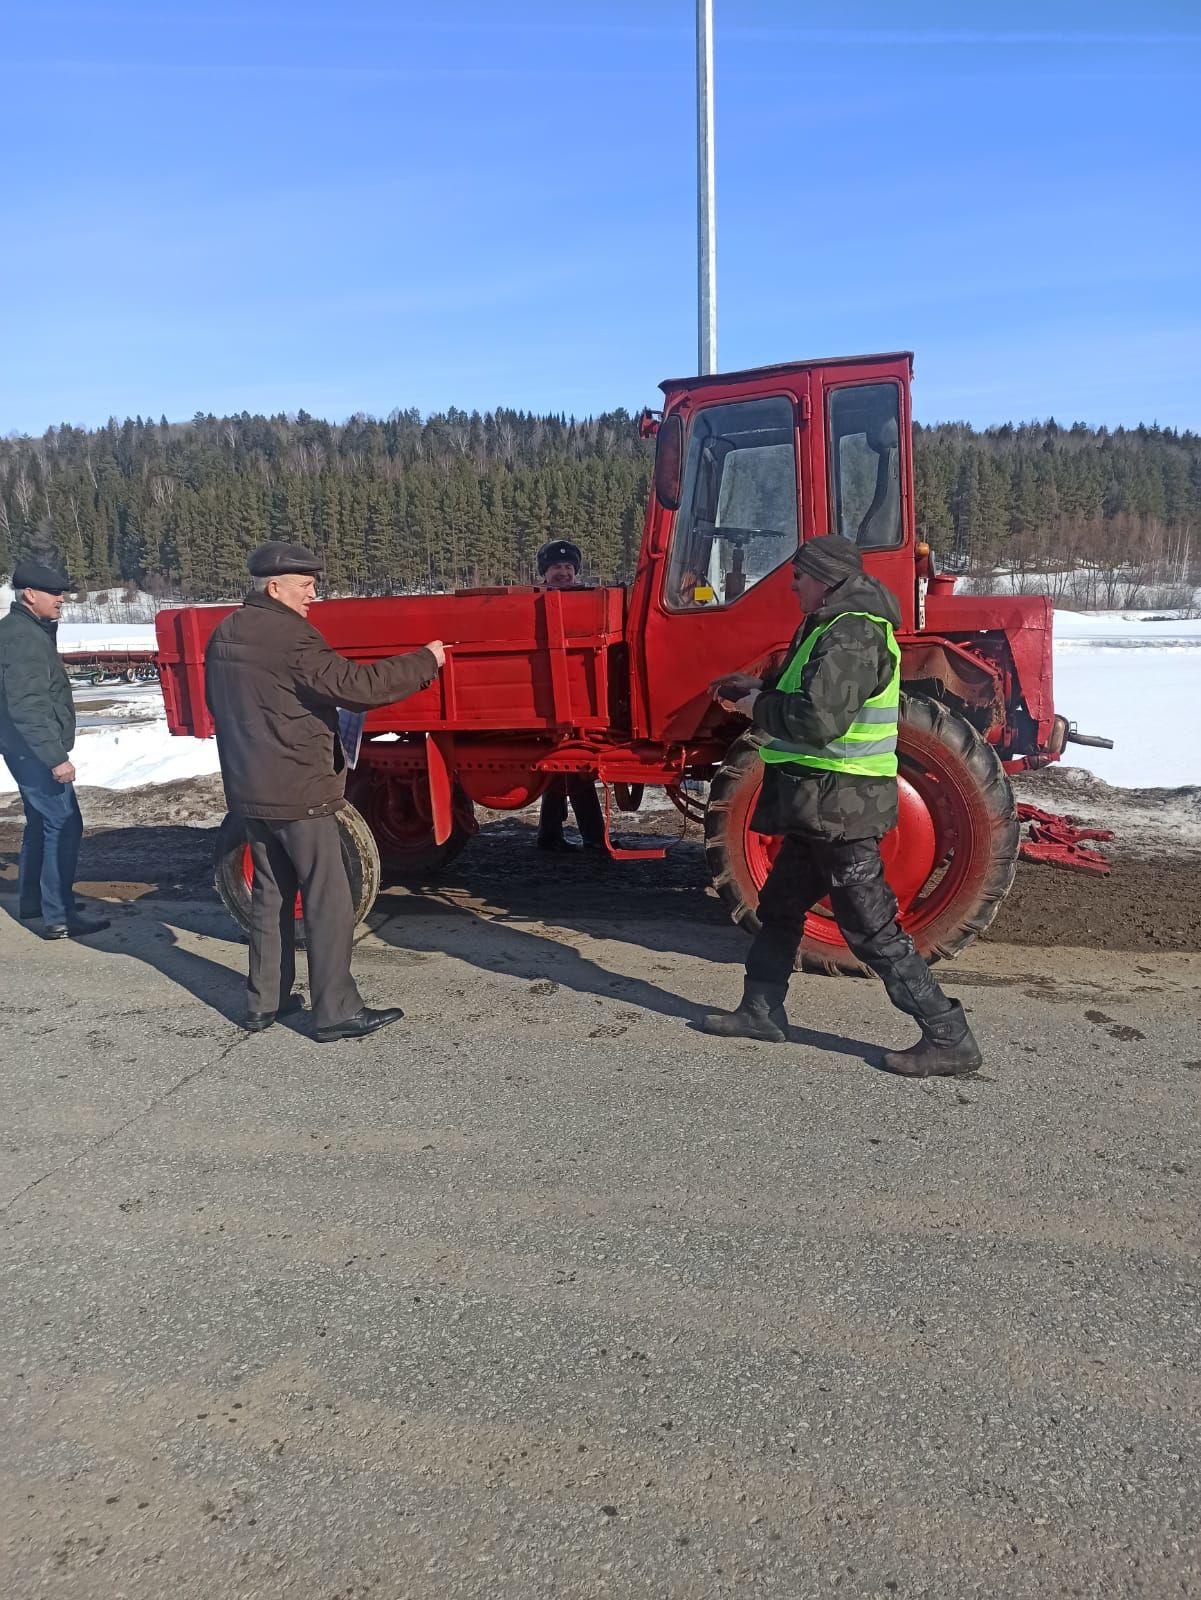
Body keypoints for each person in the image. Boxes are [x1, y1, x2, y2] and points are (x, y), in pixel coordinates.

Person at [702, 534, 982, 1078]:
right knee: (780, 909)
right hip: (819, 804)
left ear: (826, 578)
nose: (792, 584)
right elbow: (815, 696)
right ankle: (761, 1011)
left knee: (871, 929)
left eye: (799, 576)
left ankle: (949, 1036)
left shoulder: (853, 633)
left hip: (842, 809)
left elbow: (817, 720)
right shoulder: (835, 627)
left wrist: (755, 703)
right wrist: (757, 685)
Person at [204, 542, 445, 1042]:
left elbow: (220, 704)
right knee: (328, 898)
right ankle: (335, 1010)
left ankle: (263, 1002)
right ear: (274, 587)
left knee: (271, 895)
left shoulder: (226, 632)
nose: (314, 594)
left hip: (251, 788)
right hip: (299, 791)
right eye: (305, 585)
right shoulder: (291, 637)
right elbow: (356, 685)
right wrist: (425, 660)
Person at [0, 558, 109, 940]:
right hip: (32, 749)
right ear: (30, 594)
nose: (62, 598)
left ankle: (37, 902)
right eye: (55, 592)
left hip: (25, 747)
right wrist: (55, 757)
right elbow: (27, 704)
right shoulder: (22, 637)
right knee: (63, 824)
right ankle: (59, 914)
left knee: (43, 824)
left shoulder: (29, 629)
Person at [534, 538, 606, 852]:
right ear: (544, 573)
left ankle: (555, 835)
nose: (562, 573)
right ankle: (587, 837)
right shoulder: (533, 602)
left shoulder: (587, 600)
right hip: (545, 699)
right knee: (565, 769)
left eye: (567, 567)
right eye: (555, 568)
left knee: (570, 767)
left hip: (579, 697)